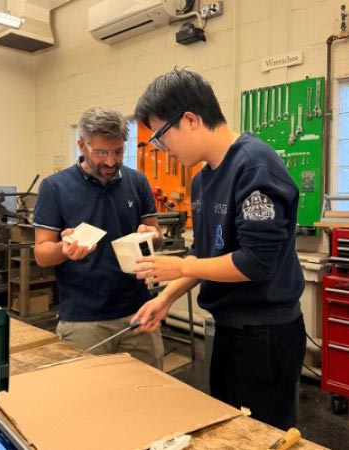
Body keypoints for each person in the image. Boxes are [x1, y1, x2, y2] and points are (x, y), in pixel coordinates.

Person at [131, 69, 305, 430]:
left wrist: (179, 268)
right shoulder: (203, 178)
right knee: (230, 427)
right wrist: (165, 299)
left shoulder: (255, 165)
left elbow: (256, 262)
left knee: (262, 433)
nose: (163, 150)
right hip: (229, 330)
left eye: (161, 137)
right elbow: (209, 259)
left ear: (190, 120)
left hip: (265, 336)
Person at [33, 106, 164, 368]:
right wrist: (63, 249)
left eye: (117, 152)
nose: (111, 161)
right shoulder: (55, 187)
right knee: (87, 399)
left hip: (137, 311)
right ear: (82, 145)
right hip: (84, 319)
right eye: (101, 152)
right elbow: (41, 254)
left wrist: (151, 236)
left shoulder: (137, 182)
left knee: (150, 393)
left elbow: (156, 236)